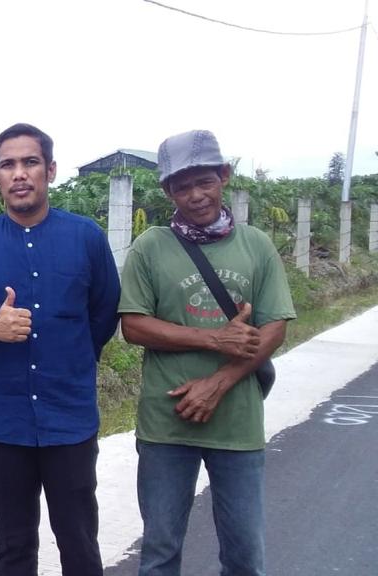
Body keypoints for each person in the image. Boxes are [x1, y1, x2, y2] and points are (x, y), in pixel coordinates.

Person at [0, 123, 120, 576]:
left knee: (79, 541)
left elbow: (103, 314)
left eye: (30, 162)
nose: (19, 174)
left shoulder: (86, 237)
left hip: (69, 417)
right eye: (8, 165)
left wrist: (72, 360)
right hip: (3, 420)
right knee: (14, 547)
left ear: (50, 170)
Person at [118, 129, 296, 576]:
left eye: (205, 182)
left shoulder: (256, 245)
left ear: (224, 176)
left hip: (238, 425)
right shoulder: (150, 246)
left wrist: (218, 383)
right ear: (168, 191)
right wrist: (215, 339)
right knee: (159, 554)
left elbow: (275, 326)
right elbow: (133, 325)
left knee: (244, 556)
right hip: (166, 425)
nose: (196, 196)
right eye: (182, 187)